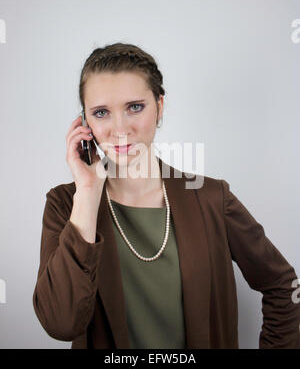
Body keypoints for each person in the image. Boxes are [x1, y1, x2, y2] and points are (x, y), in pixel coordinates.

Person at [32, 42, 300, 349]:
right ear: (85, 123)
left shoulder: (212, 198)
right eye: (101, 112)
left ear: (160, 106)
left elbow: (284, 286)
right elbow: (60, 322)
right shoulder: (65, 205)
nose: (120, 129)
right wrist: (88, 193)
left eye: (135, 107)